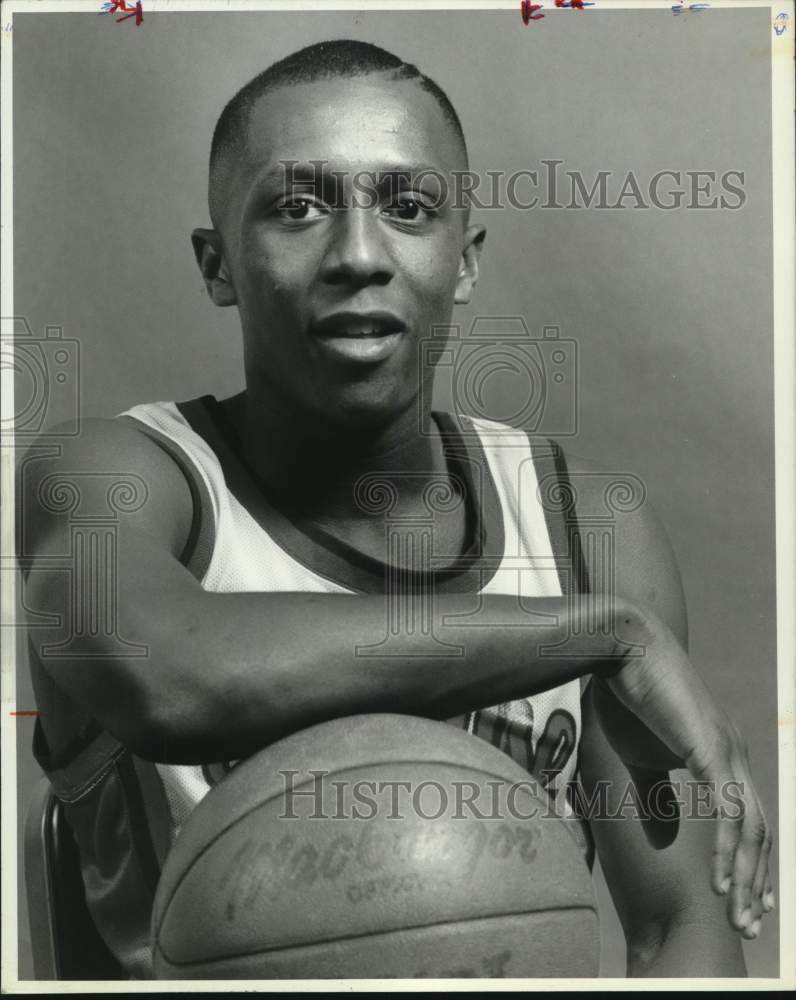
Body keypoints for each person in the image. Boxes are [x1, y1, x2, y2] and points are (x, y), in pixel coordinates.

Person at [21, 39, 773, 980]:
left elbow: (677, 929)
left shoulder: (589, 527)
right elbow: (168, 676)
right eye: (298, 207)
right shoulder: (111, 475)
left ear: (464, 259)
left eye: (409, 208)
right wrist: (601, 635)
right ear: (218, 264)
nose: (359, 255)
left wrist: (605, 622)